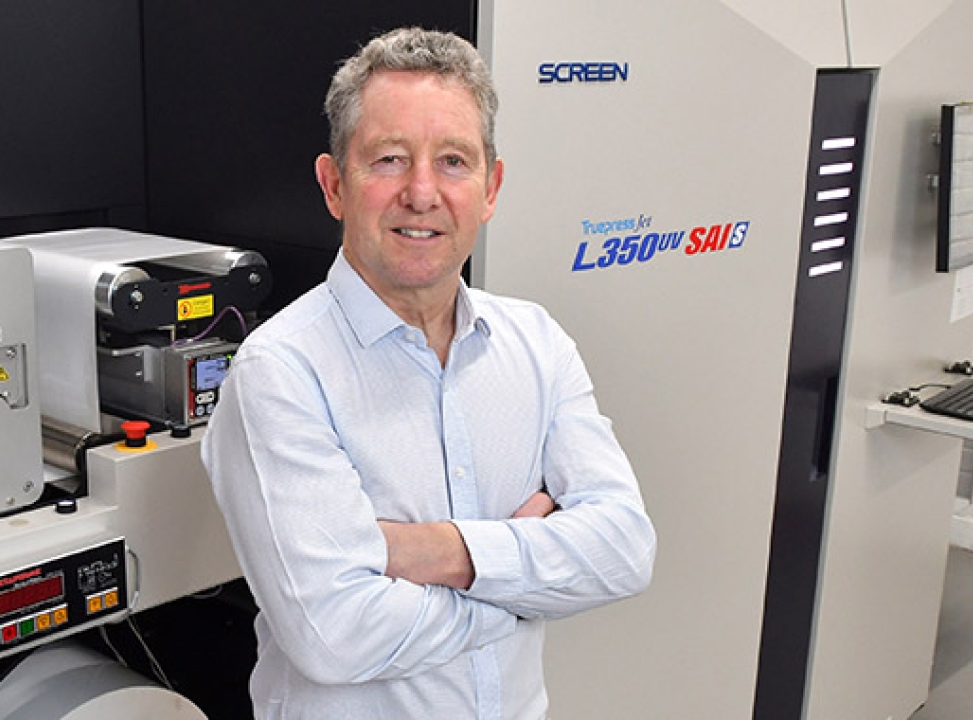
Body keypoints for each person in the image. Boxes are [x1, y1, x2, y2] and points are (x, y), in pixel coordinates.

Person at [201, 27, 656, 719]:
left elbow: (624, 550)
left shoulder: (537, 343)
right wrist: (527, 588)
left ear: (491, 186)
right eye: (388, 159)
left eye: (453, 161)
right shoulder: (282, 372)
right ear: (334, 185)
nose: (422, 192)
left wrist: (428, 551)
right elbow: (334, 636)